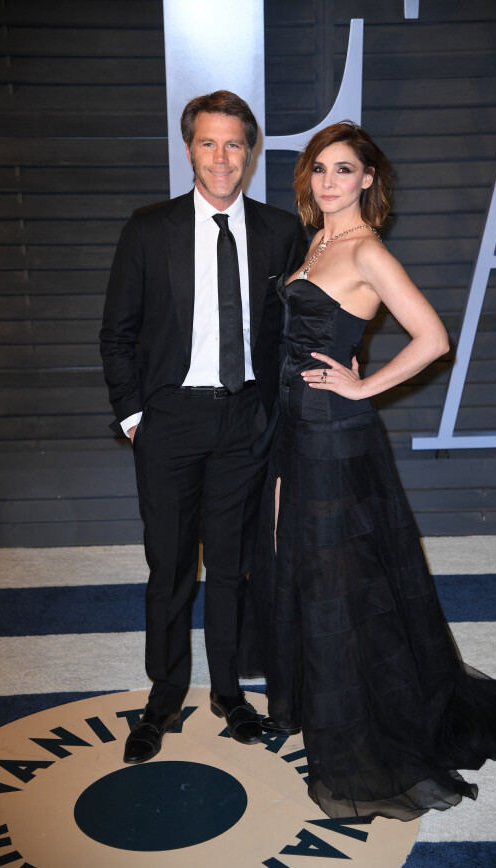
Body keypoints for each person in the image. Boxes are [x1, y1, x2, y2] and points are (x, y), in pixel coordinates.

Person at [240, 121, 496, 821]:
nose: (329, 181)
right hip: (293, 432)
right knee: (303, 566)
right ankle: (316, 700)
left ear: (368, 180)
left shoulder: (365, 250)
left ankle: (357, 730)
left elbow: (433, 336)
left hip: (333, 434)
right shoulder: (318, 242)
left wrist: (364, 386)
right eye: (319, 169)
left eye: (343, 170)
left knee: (339, 580)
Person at [100, 90, 305, 764]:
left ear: (250, 151)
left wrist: (277, 415)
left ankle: (228, 692)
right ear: (188, 148)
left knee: (231, 568)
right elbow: (116, 334)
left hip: (245, 420)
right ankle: (164, 697)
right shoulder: (148, 229)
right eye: (209, 142)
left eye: (235, 143)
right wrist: (134, 417)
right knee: (169, 567)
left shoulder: (280, 231)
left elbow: (292, 334)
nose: (222, 157)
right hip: (170, 422)